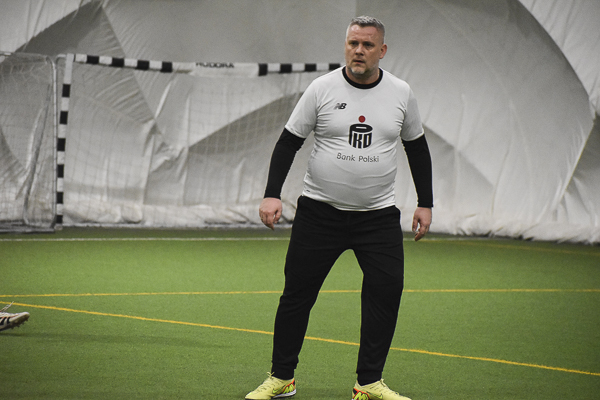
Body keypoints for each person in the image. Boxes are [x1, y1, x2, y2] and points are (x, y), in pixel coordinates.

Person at [246, 16, 432, 400]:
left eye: (367, 45)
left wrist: (425, 203)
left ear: (382, 51)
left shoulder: (401, 92)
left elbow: (416, 147)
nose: (358, 51)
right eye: (352, 43)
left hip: (378, 217)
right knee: (297, 296)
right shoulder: (322, 88)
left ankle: (368, 382)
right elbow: (288, 141)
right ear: (345, 46)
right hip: (319, 214)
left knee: (386, 293)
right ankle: (282, 378)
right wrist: (271, 194)